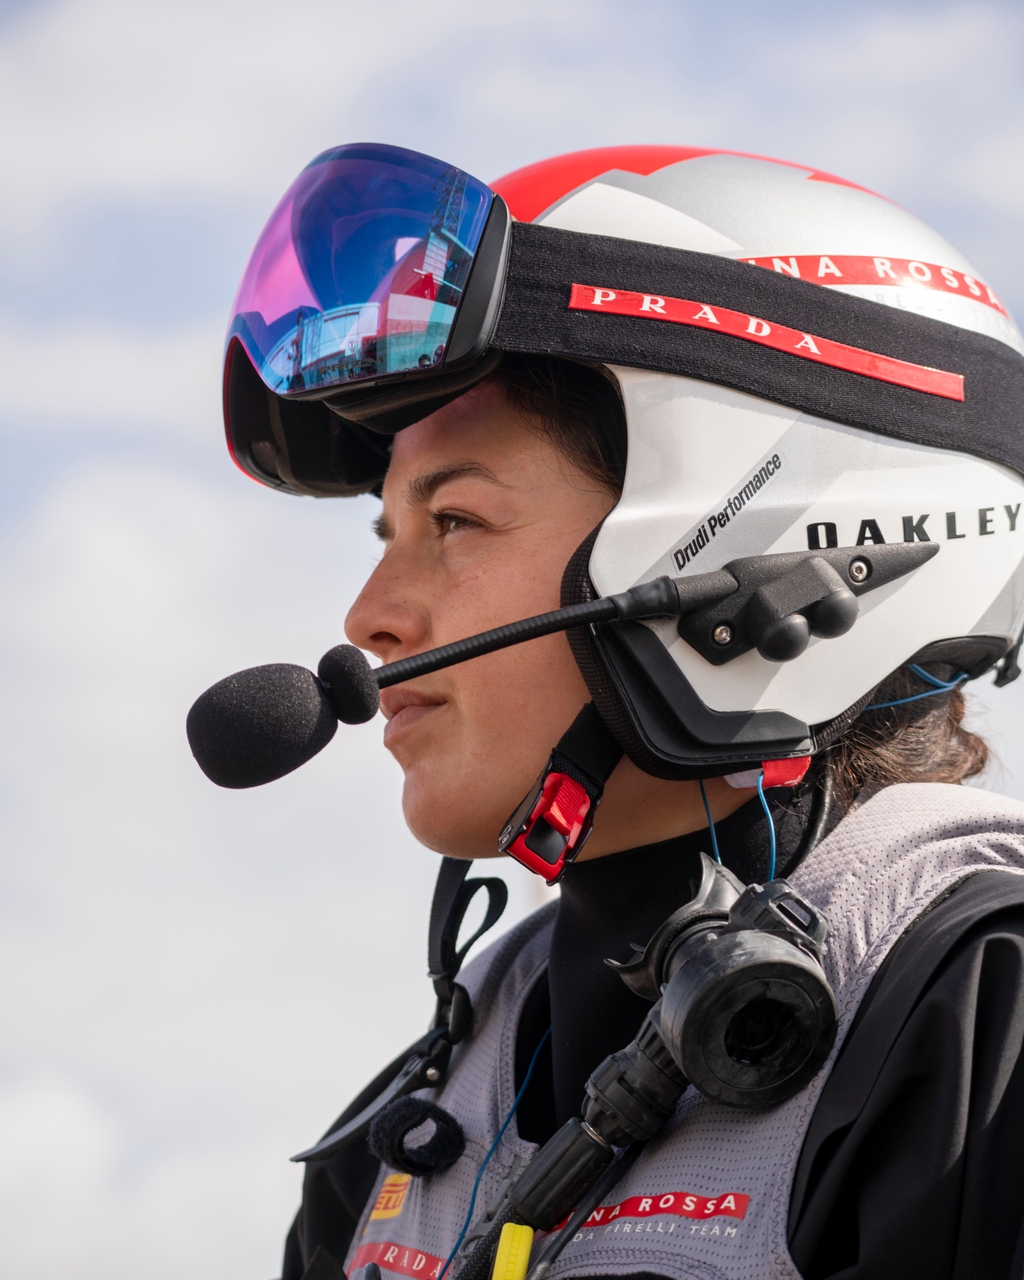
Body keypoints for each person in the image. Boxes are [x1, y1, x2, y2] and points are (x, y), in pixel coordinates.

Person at [216, 144, 1024, 1279]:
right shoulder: (402, 1132)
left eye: (456, 522)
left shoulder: (981, 1019)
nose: (370, 617)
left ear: (756, 543)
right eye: (386, 534)